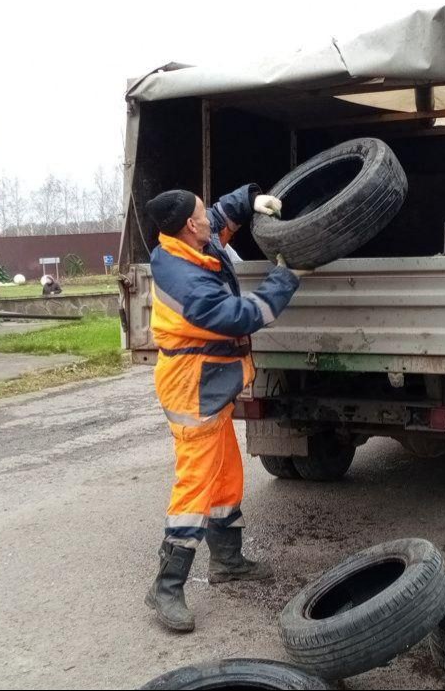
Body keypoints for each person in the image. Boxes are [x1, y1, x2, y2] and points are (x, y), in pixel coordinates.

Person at [142, 184, 309, 633]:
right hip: (192, 387)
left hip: (211, 382)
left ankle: (228, 562)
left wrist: (251, 199)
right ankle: (166, 587)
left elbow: (220, 216)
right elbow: (239, 316)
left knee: (225, 474)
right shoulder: (185, 279)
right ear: (189, 226)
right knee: (195, 484)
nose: (209, 217)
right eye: (202, 212)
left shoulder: (190, 238)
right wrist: (285, 276)